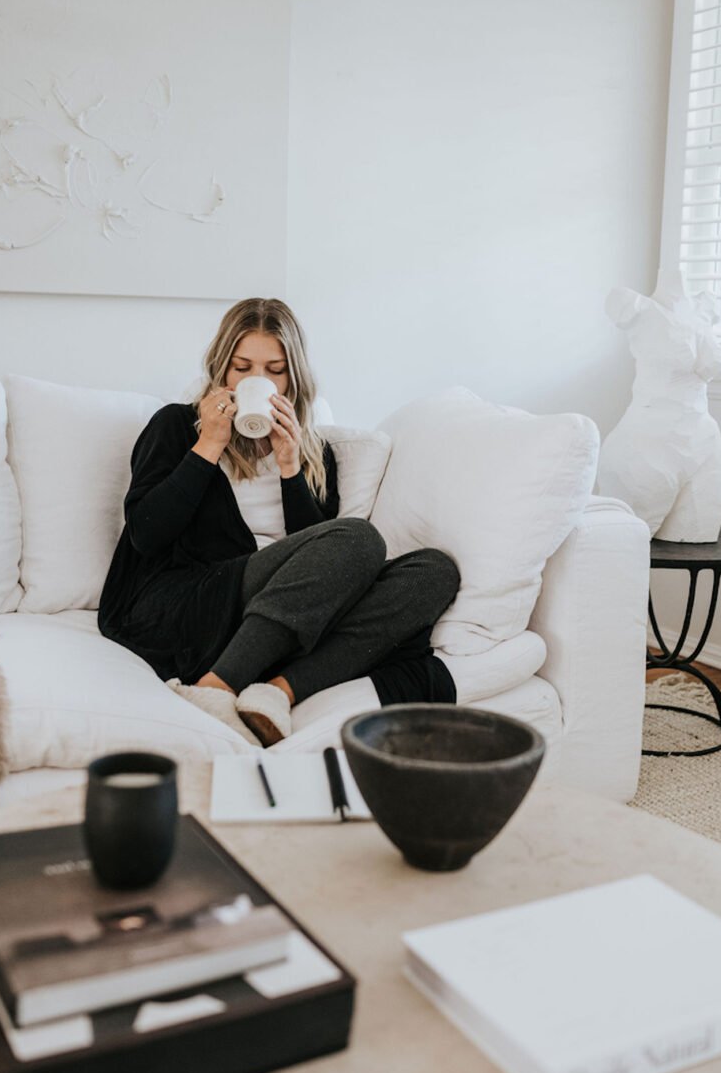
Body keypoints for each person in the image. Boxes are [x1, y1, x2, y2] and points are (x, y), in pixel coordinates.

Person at [98, 297, 461, 747]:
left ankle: (274, 690)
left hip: (266, 617)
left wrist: (291, 465)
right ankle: (216, 688)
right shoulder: (177, 426)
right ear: (221, 371)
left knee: (434, 570)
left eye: (274, 370)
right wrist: (209, 445)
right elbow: (146, 535)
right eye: (242, 367)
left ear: (293, 379)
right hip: (183, 605)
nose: (258, 381)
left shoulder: (313, 453)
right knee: (360, 539)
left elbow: (326, 566)